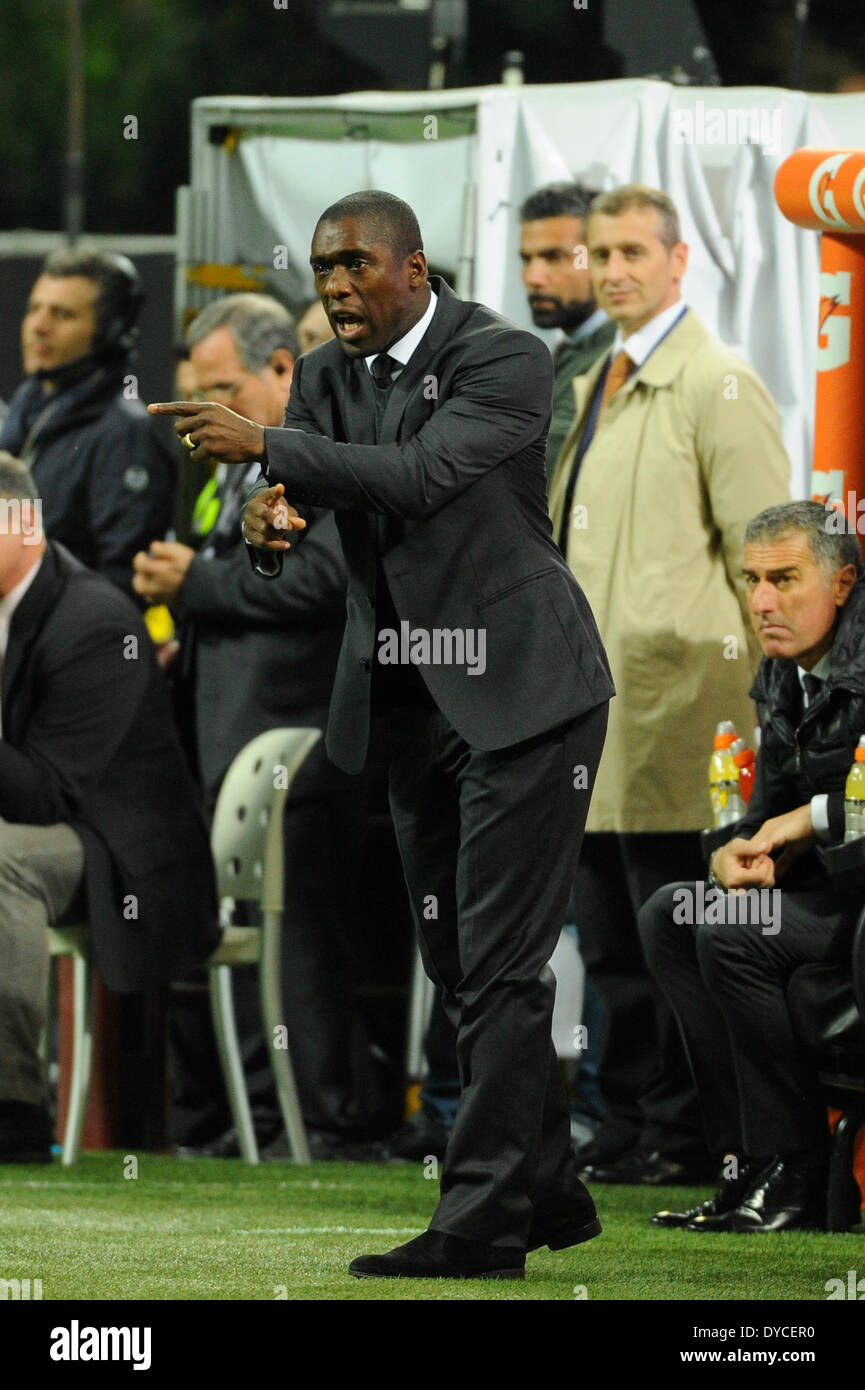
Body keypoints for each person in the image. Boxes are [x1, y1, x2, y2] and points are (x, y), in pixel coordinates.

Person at [150, 188, 614, 1281]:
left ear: (415, 268)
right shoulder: (320, 375)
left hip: (524, 692)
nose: (339, 287)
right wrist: (267, 526)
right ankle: (548, 1186)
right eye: (323, 269)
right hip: (409, 702)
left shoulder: (504, 359)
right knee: (460, 963)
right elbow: (309, 523)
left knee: (501, 969)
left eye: (357, 265)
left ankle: (482, 1221)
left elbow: (418, 479)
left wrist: (267, 446)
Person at [548, 183, 791, 1185]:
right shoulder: (595, 379)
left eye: (631, 253)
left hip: (688, 711)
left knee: (676, 935)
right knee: (610, 944)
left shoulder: (715, 383)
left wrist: (772, 710)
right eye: (597, 254)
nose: (611, 271)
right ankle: (635, 1123)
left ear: (680, 260)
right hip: (599, 708)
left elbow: (766, 558)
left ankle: (694, 1133)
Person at [133, 293, 377, 1154]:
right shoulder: (229, 472)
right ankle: (260, 1121)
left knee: (300, 937)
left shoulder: (327, 461)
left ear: (282, 371)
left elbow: (323, 587)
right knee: (250, 934)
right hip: (230, 733)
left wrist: (192, 587)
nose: (204, 417)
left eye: (223, 389)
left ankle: (325, 1125)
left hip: (297, 738)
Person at [639, 501, 864, 1232]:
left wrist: (813, 819)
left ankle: (795, 1170)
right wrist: (731, 851)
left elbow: (810, 812)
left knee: (730, 931)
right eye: (752, 580)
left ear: (842, 584)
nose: (762, 602)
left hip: (857, 902)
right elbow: (765, 807)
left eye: (784, 579)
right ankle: (742, 1168)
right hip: (821, 894)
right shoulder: (780, 669)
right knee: (675, 913)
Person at [0, 453, 220, 1164]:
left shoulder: (93, 621)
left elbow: (42, 795)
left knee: (1, 862)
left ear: (22, 523)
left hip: (127, 851)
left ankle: (12, 1106)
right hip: (59, 824)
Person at [0, 249, 175, 599]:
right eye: (34, 309)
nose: (39, 326)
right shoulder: (28, 412)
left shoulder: (125, 433)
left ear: (111, 330)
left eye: (61, 314)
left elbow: (121, 581)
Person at [519, 181, 615, 482]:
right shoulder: (568, 353)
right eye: (527, 259)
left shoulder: (623, 361)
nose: (533, 277)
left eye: (554, 257)